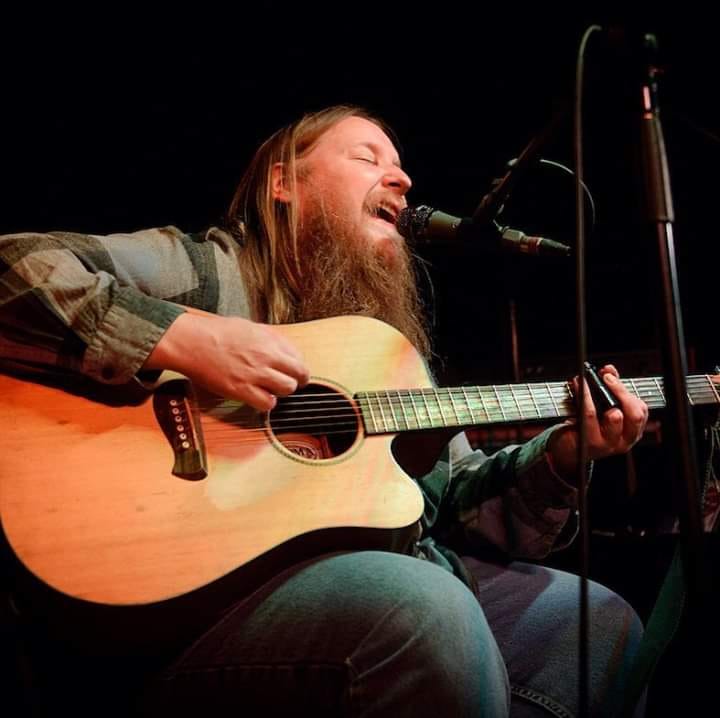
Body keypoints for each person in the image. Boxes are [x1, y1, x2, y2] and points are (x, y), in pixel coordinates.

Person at [0, 105, 649, 717]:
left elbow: (454, 508)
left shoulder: (387, 349)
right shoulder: (209, 272)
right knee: (422, 604)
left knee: (591, 620)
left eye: (398, 164)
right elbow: (13, 267)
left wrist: (563, 458)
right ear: (283, 182)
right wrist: (184, 338)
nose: (401, 177)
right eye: (368, 157)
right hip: (175, 620)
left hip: (374, 590)